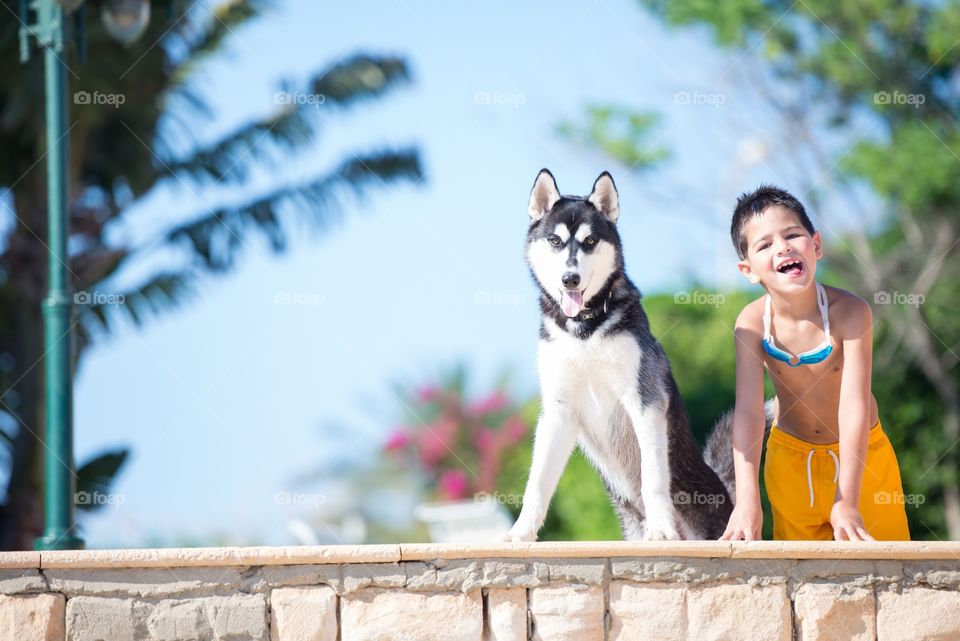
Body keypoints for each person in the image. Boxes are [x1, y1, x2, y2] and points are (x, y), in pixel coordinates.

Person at [719, 185, 910, 541]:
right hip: (791, 464)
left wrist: (846, 500)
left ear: (816, 245)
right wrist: (747, 501)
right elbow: (748, 413)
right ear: (748, 269)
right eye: (765, 245)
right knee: (803, 578)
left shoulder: (850, 313)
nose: (783, 247)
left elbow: (853, 405)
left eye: (793, 235)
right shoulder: (750, 324)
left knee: (890, 569)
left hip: (862, 460)